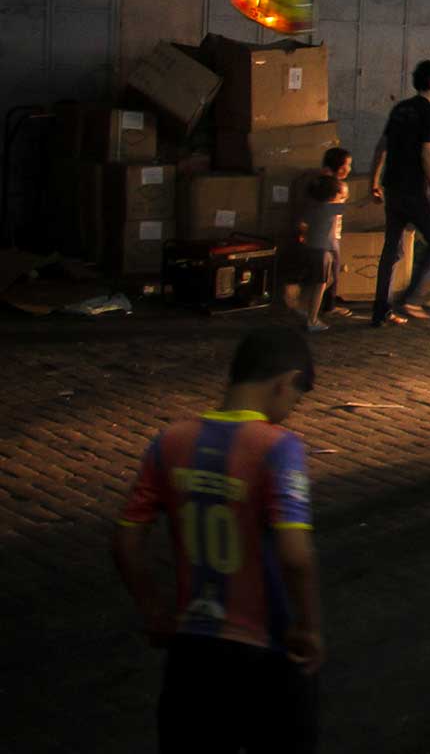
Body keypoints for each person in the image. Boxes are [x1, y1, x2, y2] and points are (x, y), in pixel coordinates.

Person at [112, 328, 322, 754]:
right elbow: (295, 557)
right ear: (285, 381)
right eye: (295, 399)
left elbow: (126, 542)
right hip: (266, 650)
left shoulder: (169, 442)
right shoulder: (278, 447)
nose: (290, 412)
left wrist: (152, 609)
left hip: (192, 651)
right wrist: (309, 625)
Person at [368, 60, 430, 327]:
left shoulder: (400, 109)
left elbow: (382, 146)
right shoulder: (429, 113)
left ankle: (380, 310)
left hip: (392, 188)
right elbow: (427, 153)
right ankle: (411, 298)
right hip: (414, 190)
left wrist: (375, 180)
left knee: (391, 251)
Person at [294, 174, 347, 334]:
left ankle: (304, 308)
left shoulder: (312, 207)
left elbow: (302, 224)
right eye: (340, 195)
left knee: (321, 281)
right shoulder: (330, 207)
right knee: (321, 284)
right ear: (332, 195)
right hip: (323, 251)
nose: (342, 198)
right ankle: (312, 320)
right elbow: (356, 205)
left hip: (311, 248)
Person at [316, 147, 355, 316]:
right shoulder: (328, 186)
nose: (349, 169)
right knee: (327, 275)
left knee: (332, 272)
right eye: (348, 165)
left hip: (331, 236)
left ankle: (326, 305)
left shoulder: (326, 183)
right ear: (339, 167)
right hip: (327, 237)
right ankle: (321, 308)